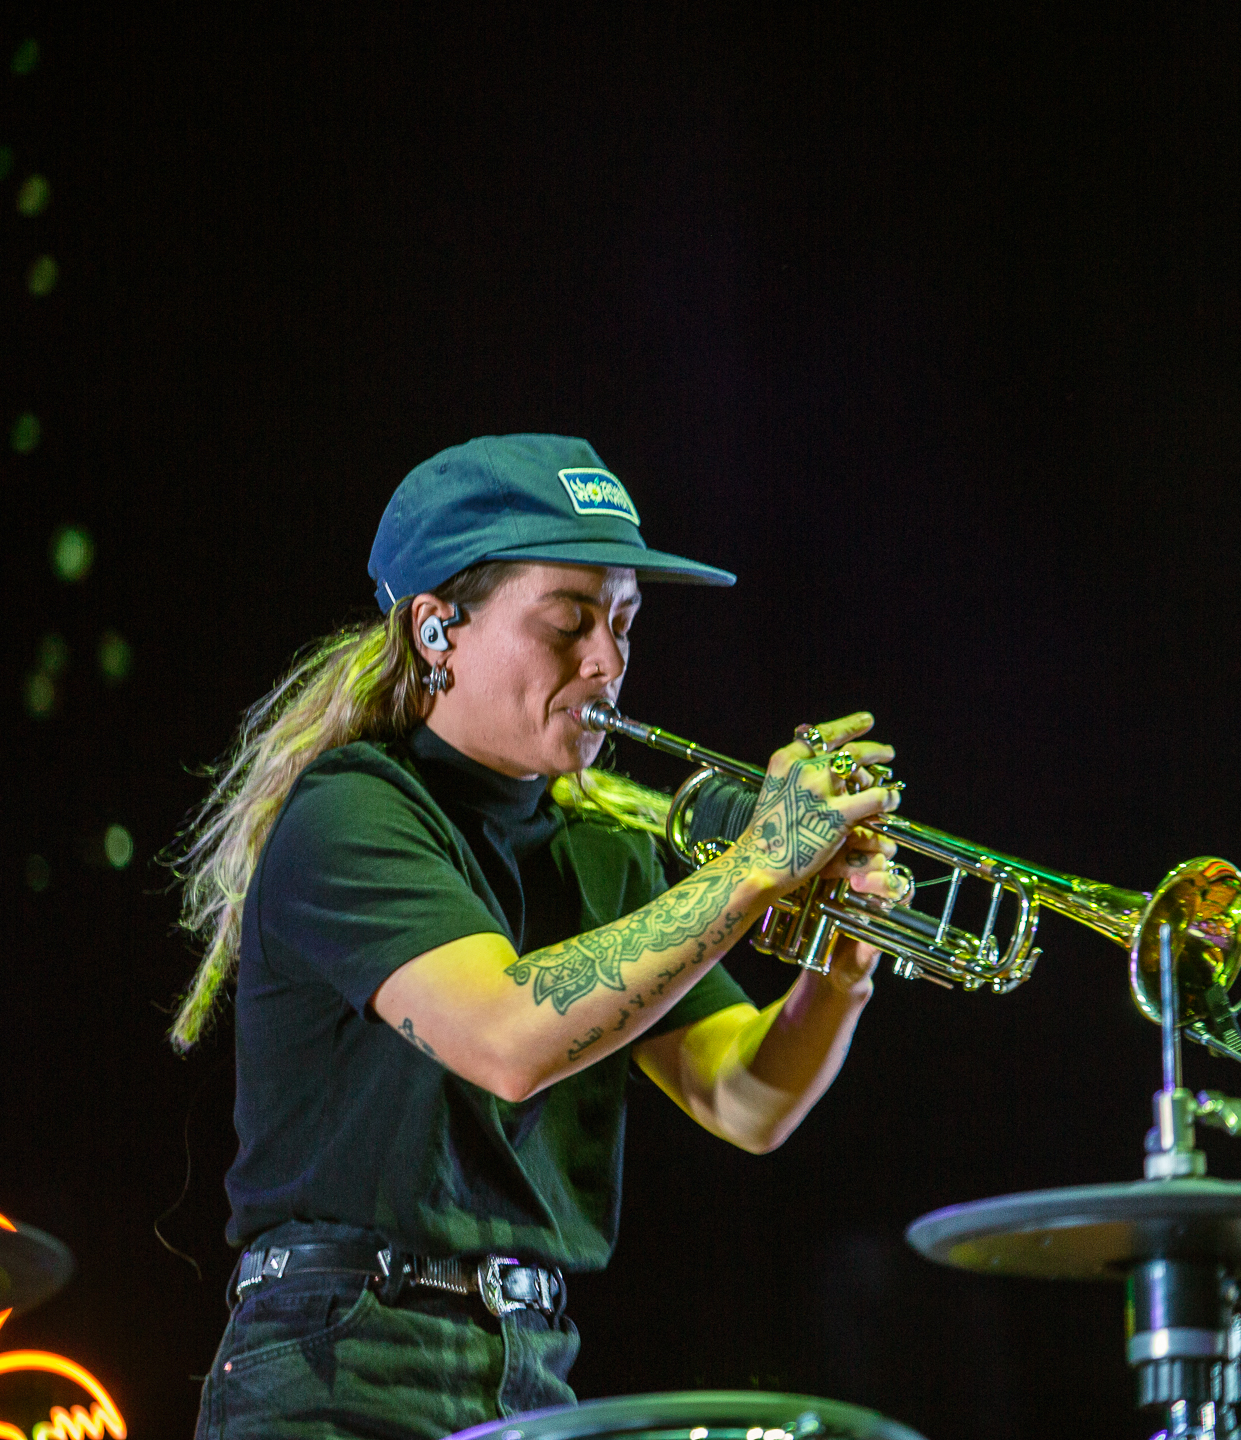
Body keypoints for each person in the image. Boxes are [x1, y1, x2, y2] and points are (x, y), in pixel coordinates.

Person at [169, 433, 909, 1440]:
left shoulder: (604, 850)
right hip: (339, 1364)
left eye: (624, 623)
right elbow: (507, 1039)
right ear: (437, 629)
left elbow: (743, 1100)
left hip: (533, 1368)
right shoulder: (352, 813)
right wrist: (752, 871)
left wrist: (844, 965)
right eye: (568, 623)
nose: (607, 661)